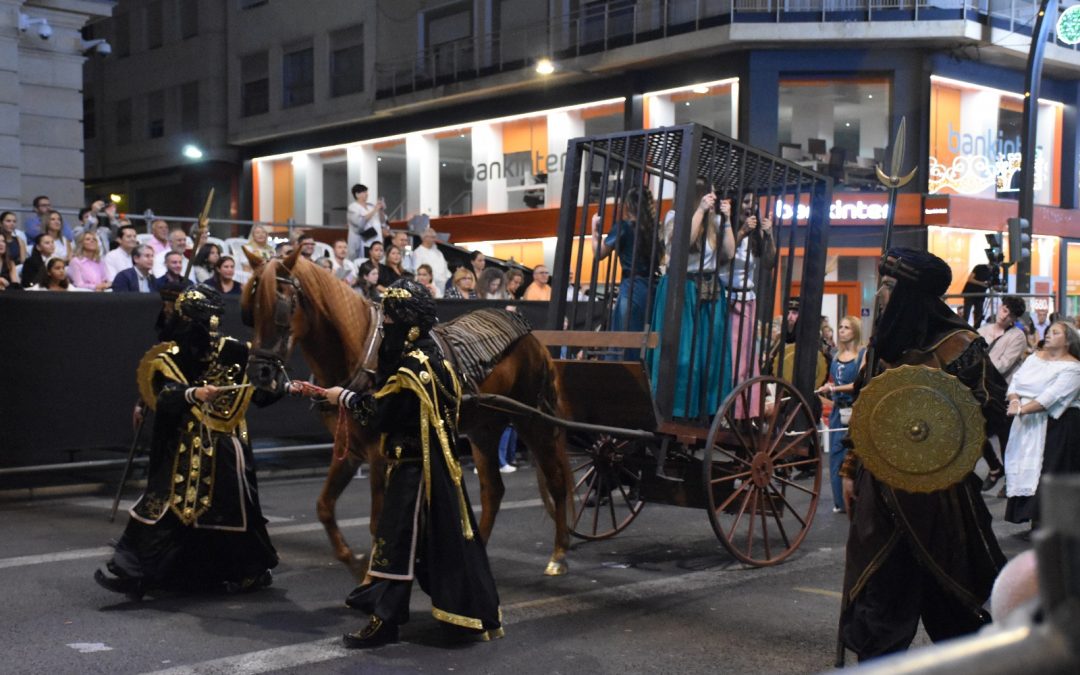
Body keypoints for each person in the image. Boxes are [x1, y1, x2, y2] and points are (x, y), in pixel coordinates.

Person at [838, 248, 1007, 661]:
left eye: (890, 286)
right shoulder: (881, 348)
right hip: (879, 494)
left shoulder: (960, 346)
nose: (880, 295)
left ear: (911, 294)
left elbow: (990, 407)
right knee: (880, 596)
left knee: (951, 597)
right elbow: (865, 414)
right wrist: (849, 469)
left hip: (940, 498)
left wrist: (936, 419)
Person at [322, 279, 503, 647]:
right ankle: (422, 608)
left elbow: (380, 415)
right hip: (429, 468)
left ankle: (385, 620)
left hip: (415, 471)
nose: (384, 323)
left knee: (395, 540)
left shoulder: (410, 370)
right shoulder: (433, 362)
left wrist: (344, 397)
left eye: (389, 317)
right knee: (423, 544)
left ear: (408, 323)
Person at [94, 286, 279, 599]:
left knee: (232, 509)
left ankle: (248, 570)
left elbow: (260, 391)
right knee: (163, 503)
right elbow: (165, 393)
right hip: (179, 446)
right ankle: (135, 572)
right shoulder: (170, 356)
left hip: (223, 444)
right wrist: (191, 393)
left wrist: (272, 382)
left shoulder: (234, 350)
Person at [647, 182, 735, 419]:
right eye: (710, 192)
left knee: (710, 352)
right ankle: (674, 410)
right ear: (699, 195)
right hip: (681, 289)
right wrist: (699, 212)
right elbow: (681, 245)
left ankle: (706, 413)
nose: (715, 196)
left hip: (710, 289)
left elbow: (729, 253)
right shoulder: (675, 216)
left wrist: (726, 221)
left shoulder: (715, 221)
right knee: (683, 355)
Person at [1003, 321, 1080, 526]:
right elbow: (1016, 382)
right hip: (1027, 422)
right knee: (1026, 467)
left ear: (1068, 341)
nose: (1048, 335)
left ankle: (1048, 522)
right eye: (1049, 332)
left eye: (1056, 333)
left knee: (1049, 471)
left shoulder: (1073, 368)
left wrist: (1021, 409)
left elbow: (1050, 398)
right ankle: (1034, 518)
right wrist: (1015, 400)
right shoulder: (1034, 358)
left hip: (1058, 425)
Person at [719, 191, 776, 416]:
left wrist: (769, 234)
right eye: (745, 202)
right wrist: (741, 231)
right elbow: (724, 256)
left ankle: (743, 411)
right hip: (727, 298)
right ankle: (726, 410)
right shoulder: (727, 229)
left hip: (748, 299)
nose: (749, 207)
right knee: (730, 359)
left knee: (747, 359)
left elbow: (769, 263)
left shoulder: (754, 236)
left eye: (753, 203)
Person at [591, 186, 660, 346]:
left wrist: (594, 230)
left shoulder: (623, 227)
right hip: (652, 288)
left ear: (628, 205)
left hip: (632, 287)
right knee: (646, 338)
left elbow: (599, 254)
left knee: (625, 339)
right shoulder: (654, 228)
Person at [815, 316, 865, 513]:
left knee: (855, 455)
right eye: (841, 327)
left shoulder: (862, 354)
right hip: (838, 410)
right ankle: (840, 502)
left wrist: (834, 388)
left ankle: (857, 499)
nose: (842, 330)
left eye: (846, 327)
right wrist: (828, 388)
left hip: (855, 410)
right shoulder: (835, 355)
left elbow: (858, 385)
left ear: (855, 331)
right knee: (836, 455)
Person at [346, 184, 387, 260]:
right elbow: (359, 222)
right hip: (365, 240)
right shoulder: (353, 207)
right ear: (357, 194)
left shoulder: (371, 206)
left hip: (377, 238)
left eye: (366, 192)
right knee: (365, 260)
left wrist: (381, 210)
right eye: (364, 192)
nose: (366, 194)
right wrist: (375, 210)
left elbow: (383, 221)